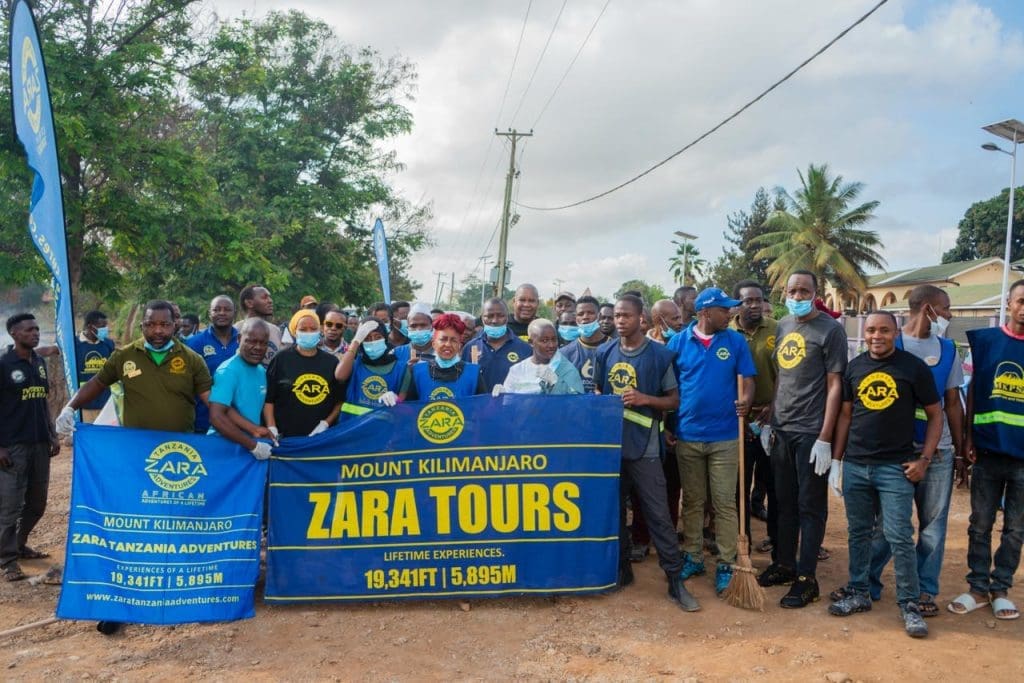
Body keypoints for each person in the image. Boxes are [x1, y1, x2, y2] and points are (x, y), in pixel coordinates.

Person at [57, 300, 215, 635]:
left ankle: (182, 596)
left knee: (176, 526)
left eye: (164, 325)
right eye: (151, 324)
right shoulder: (124, 356)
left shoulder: (191, 360)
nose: (158, 331)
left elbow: (213, 404)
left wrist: (242, 436)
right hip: (134, 460)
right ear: (142, 325)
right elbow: (96, 384)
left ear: (174, 325)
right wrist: (70, 407)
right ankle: (119, 605)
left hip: (178, 460)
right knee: (133, 530)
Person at [829, 311, 941, 638]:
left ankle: (909, 604)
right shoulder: (855, 367)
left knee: (898, 536)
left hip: (895, 468)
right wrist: (837, 461)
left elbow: (935, 416)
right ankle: (859, 591)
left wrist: (924, 459)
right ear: (864, 333)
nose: (876, 336)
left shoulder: (913, 368)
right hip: (856, 465)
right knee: (858, 532)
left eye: (884, 330)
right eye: (871, 330)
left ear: (896, 332)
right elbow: (846, 416)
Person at [859, 285, 964, 616]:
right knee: (887, 525)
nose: (949, 315)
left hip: (938, 452)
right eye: (945, 308)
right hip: (896, 451)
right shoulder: (891, 342)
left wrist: (960, 450)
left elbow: (952, 404)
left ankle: (923, 590)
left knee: (933, 526)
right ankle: (867, 582)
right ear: (929, 309)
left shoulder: (948, 349)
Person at [593, 295, 699, 612]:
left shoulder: (660, 355)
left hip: (646, 447)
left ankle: (675, 580)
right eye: (616, 316)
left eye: (626, 316)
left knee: (659, 515)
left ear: (641, 318)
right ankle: (622, 570)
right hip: (612, 445)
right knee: (614, 513)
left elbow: (674, 401)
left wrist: (644, 399)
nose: (619, 321)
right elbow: (597, 391)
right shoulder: (604, 352)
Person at [758, 270, 847, 609]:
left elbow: (835, 385)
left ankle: (807, 578)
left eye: (803, 291)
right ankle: (784, 564)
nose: (797, 296)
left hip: (811, 432)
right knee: (784, 502)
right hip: (782, 429)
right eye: (792, 290)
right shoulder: (783, 325)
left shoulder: (831, 330)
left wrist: (825, 437)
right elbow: (781, 376)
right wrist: (771, 419)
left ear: (815, 293)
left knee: (810, 506)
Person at [669, 288, 756, 595]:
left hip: (725, 436)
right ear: (705, 312)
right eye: (724, 309)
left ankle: (726, 562)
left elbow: (748, 380)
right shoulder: (678, 342)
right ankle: (693, 556)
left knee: (724, 503)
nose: (730, 313)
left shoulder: (735, 341)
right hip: (688, 435)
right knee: (692, 501)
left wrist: (746, 400)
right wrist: (669, 425)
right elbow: (670, 387)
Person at [948, 279, 1024, 621]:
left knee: (1016, 529)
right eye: (1021, 301)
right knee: (980, 523)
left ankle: (1001, 589)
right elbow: (973, 392)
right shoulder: (986, 342)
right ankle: (978, 588)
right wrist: (967, 439)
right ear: (1009, 303)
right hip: (988, 452)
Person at [0, 314, 60, 581]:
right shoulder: (3, 364)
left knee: (37, 503)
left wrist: (52, 434)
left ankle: (18, 544)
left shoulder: (38, 362)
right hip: (12, 447)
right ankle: (7, 561)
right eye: (28, 330)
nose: (35, 333)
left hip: (39, 444)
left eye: (36, 329)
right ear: (14, 334)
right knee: (10, 506)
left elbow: (43, 401)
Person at [729, 281, 778, 553]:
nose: (755, 305)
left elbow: (786, 371)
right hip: (739, 421)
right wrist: (742, 415)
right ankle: (743, 543)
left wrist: (774, 405)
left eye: (759, 300)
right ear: (737, 305)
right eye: (748, 301)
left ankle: (776, 539)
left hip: (772, 418)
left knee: (774, 483)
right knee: (740, 486)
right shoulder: (726, 333)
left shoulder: (778, 329)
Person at [263, 310, 342, 438]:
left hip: (321, 437)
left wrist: (326, 423)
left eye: (313, 329)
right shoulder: (281, 359)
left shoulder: (332, 362)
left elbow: (339, 401)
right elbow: (269, 400)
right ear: (295, 332)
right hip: (286, 437)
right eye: (303, 329)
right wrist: (271, 427)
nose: (309, 333)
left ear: (320, 331)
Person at [207, 318, 277, 458]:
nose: (258, 347)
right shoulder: (228, 371)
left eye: (263, 343)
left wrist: (258, 429)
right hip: (224, 447)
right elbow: (217, 416)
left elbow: (232, 410)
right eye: (252, 341)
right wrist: (253, 446)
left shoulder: (261, 371)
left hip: (246, 446)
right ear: (239, 339)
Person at [186, 295, 240, 433]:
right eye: (217, 309)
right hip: (203, 421)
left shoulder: (244, 341)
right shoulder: (194, 343)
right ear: (209, 313)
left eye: (227, 309)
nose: (222, 313)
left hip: (240, 420)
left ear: (235, 313)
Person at [403, 314, 483, 401]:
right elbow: (409, 407)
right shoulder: (418, 372)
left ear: (459, 345)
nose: (448, 344)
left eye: (453, 340)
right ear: (434, 344)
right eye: (443, 339)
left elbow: (483, 406)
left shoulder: (473, 373)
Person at [336, 319, 406, 418]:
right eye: (367, 338)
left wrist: (397, 400)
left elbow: (406, 409)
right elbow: (340, 376)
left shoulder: (401, 368)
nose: (373, 342)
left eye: (378, 337)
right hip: (351, 424)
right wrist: (356, 341)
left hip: (382, 426)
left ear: (385, 338)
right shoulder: (355, 362)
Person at [494, 319, 583, 395]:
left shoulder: (567, 369)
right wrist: (503, 395)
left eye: (554, 339)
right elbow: (509, 404)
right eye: (544, 341)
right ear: (531, 342)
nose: (551, 345)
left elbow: (577, 403)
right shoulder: (517, 370)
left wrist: (557, 384)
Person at [461, 298, 532, 394]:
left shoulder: (525, 349)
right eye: (489, 316)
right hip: (479, 404)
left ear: (507, 318)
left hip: (511, 403)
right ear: (482, 319)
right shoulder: (470, 348)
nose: (494, 320)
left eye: (500, 316)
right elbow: (464, 385)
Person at [74, 310, 116, 423]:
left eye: (106, 326)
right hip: (84, 404)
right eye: (102, 326)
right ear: (90, 327)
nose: (105, 329)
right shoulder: (74, 344)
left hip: (105, 404)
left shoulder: (108, 344)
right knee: (88, 432)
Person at [562, 296, 608, 394]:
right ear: (576, 318)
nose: (585, 317)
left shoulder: (615, 349)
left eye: (590, 313)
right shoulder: (565, 354)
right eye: (580, 314)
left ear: (599, 316)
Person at [236, 284, 282, 366]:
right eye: (264, 297)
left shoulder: (275, 330)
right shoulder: (236, 330)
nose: (270, 301)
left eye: (269, 297)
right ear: (249, 303)